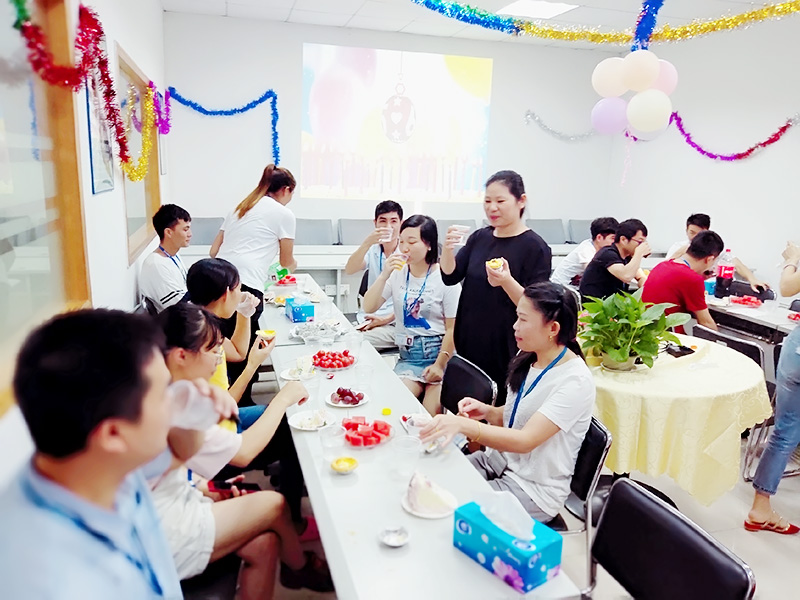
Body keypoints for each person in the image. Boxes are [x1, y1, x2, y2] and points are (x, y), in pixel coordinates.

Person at [0, 309, 235, 599]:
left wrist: (195, 411)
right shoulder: (49, 581)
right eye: (163, 394)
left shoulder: (103, 463)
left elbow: (181, 452)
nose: (173, 400)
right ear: (113, 434)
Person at [420, 283, 594, 522]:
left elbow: (526, 440)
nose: (515, 326)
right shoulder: (530, 356)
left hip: (532, 489)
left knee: (443, 509)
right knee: (430, 481)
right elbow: (523, 412)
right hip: (497, 461)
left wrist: (464, 426)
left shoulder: (575, 381)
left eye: (523, 319)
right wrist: (488, 412)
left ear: (553, 328)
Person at [158, 302, 311, 532]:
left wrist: (252, 362)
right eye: (214, 351)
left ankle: (292, 511)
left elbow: (226, 403)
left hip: (206, 453)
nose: (219, 358)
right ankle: (293, 518)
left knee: (282, 419)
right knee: (285, 422)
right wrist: (282, 399)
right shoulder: (180, 406)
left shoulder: (181, 378)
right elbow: (242, 452)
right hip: (217, 453)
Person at [441, 170, 551, 405]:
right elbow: (450, 276)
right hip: (469, 339)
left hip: (505, 346)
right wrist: (447, 251)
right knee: (466, 404)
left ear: (521, 201)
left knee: (495, 407)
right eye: (487, 201)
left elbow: (536, 306)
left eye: (500, 201)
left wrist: (506, 281)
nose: (492, 208)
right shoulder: (480, 237)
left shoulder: (535, 247)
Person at [211, 164, 297, 402]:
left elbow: (214, 251)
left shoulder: (240, 207)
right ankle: (240, 406)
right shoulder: (284, 214)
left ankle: (224, 400)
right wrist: (292, 265)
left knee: (221, 349)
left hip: (217, 279)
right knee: (245, 351)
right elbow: (286, 262)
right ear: (286, 190)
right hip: (244, 288)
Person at [363, 215, 459, 415]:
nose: (404, 248)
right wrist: (384, 275)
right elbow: (369, 307)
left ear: (429, 245)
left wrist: (439, 365)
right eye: (401, 242)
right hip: (409, 356)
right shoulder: (398, 273)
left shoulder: (445, 279)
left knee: (429, 416)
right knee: (393, 407)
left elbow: (453, 329)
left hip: (439, 354)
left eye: (412, 242)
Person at [744, 241, 800, 535]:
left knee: (784, 431)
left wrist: (793, 258)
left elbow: (788, 287)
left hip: (796, 350)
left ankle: (760, 507)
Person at [186, 258, 259, 404]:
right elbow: (224, 406)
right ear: (226, 293)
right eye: (238, 289)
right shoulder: (204, 339)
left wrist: (244, 312)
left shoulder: (194, 318)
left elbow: (237, 352)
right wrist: (253, 365)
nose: (241, 294)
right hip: (213, 414)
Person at [345, 200, 404, 350]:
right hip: (368, 316)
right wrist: (367, 243)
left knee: (353, 344)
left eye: (393, 221)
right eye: (383, 221)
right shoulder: (373, 249)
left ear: (401, 224)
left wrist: (385, 319)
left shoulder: (406, 252)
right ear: (375, 223)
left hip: (394, 321)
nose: (388, 226)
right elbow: (350, 269)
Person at [642, 230, 724, 333]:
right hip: (666, 335)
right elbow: (706, 323)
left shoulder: (663, 265)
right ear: (709, 259)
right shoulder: (692, 279)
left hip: (645, 331)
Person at [666, 213, 769, 292]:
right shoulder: (678, 247)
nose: (695, 237)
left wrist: (753, 280)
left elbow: (737, 264)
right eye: (692, 232)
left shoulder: (715, 248)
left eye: (700, 234)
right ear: (686, 230)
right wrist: (680, 253)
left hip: (710, 291)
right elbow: (665, 269)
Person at [579, 218, 650, 301]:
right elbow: (626, 276)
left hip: (615, 303)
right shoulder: (608, 253)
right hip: (596, 305)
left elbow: (641, 277)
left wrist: (645, 289)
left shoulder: (627, 256)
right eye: (640, 242)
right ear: (623, 239)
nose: (641, 246)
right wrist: (638, 253)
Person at [140, 204, 192, 312]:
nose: (190, 234)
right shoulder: (156, 264)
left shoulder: (173, 255)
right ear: (168, 232)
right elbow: (179, 308)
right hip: (177, 318)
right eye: (185, 230)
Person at [551, 217, 619, 287]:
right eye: (613, 238)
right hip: (561, 287)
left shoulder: (602, 250)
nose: (616, 242)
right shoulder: (586, 249)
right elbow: (593, 273)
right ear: (599, 237)